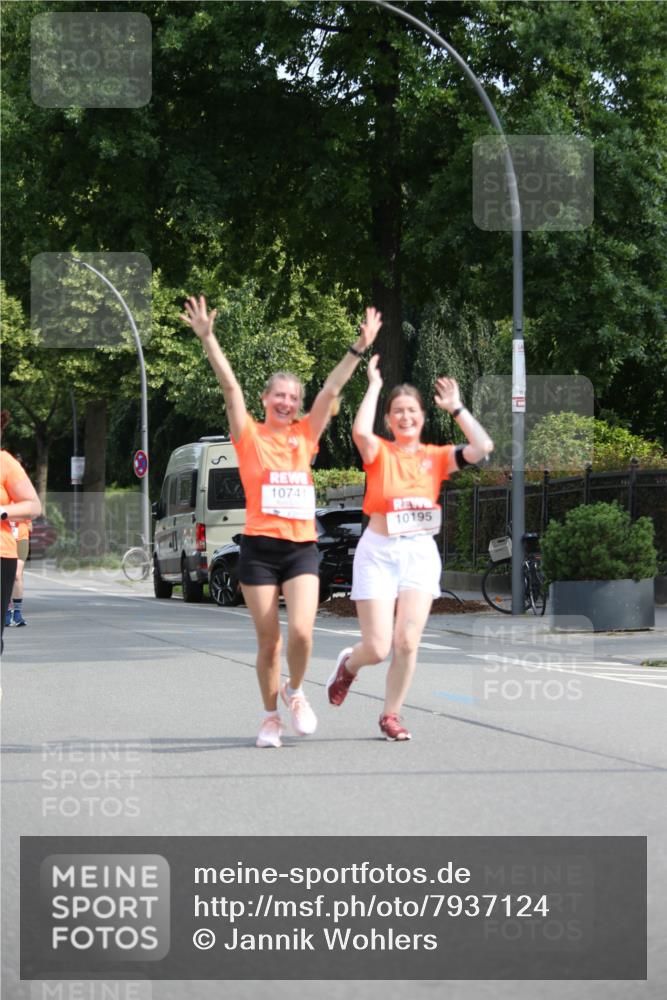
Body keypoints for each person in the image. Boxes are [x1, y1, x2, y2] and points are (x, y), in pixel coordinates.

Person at [180, 296, 381, 748]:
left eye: (293, 397)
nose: (287, 402)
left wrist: (358, 347)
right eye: (280, 396)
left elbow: (331, 390)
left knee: (303, 633)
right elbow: (230, 387)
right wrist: (208, 338)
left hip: (300, 548)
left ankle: (296, 690)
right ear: (266, 400)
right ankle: (270, 716)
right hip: (258, 550)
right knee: (269, 641)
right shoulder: (249, 436)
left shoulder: (305, 435)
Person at [327, 355, 493, 740]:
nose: (405, 417)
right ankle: (349, 666)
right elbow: (359, 432)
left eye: (412, 411)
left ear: (422, 417)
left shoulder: (435, 458)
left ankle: (391, 715)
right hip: (378, 553)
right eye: (398, 411)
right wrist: (374, 385)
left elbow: (482, 446)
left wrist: (456, 408)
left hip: (418, 555)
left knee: (406, 641)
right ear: (389, 420)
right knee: (377, 648)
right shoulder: (379, 453)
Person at [1, 412, 42, 651]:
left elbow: (33, 506)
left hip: (6, 548)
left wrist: (3, 511)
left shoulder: (6, 464)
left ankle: (15, 611)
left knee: (18, 573)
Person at [5, 520, 31, 627]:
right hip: (4, 538)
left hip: (21, 538)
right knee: (4, 575)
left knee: (17, 575)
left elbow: (30, 524)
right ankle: (6, 611)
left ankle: (17, 613)